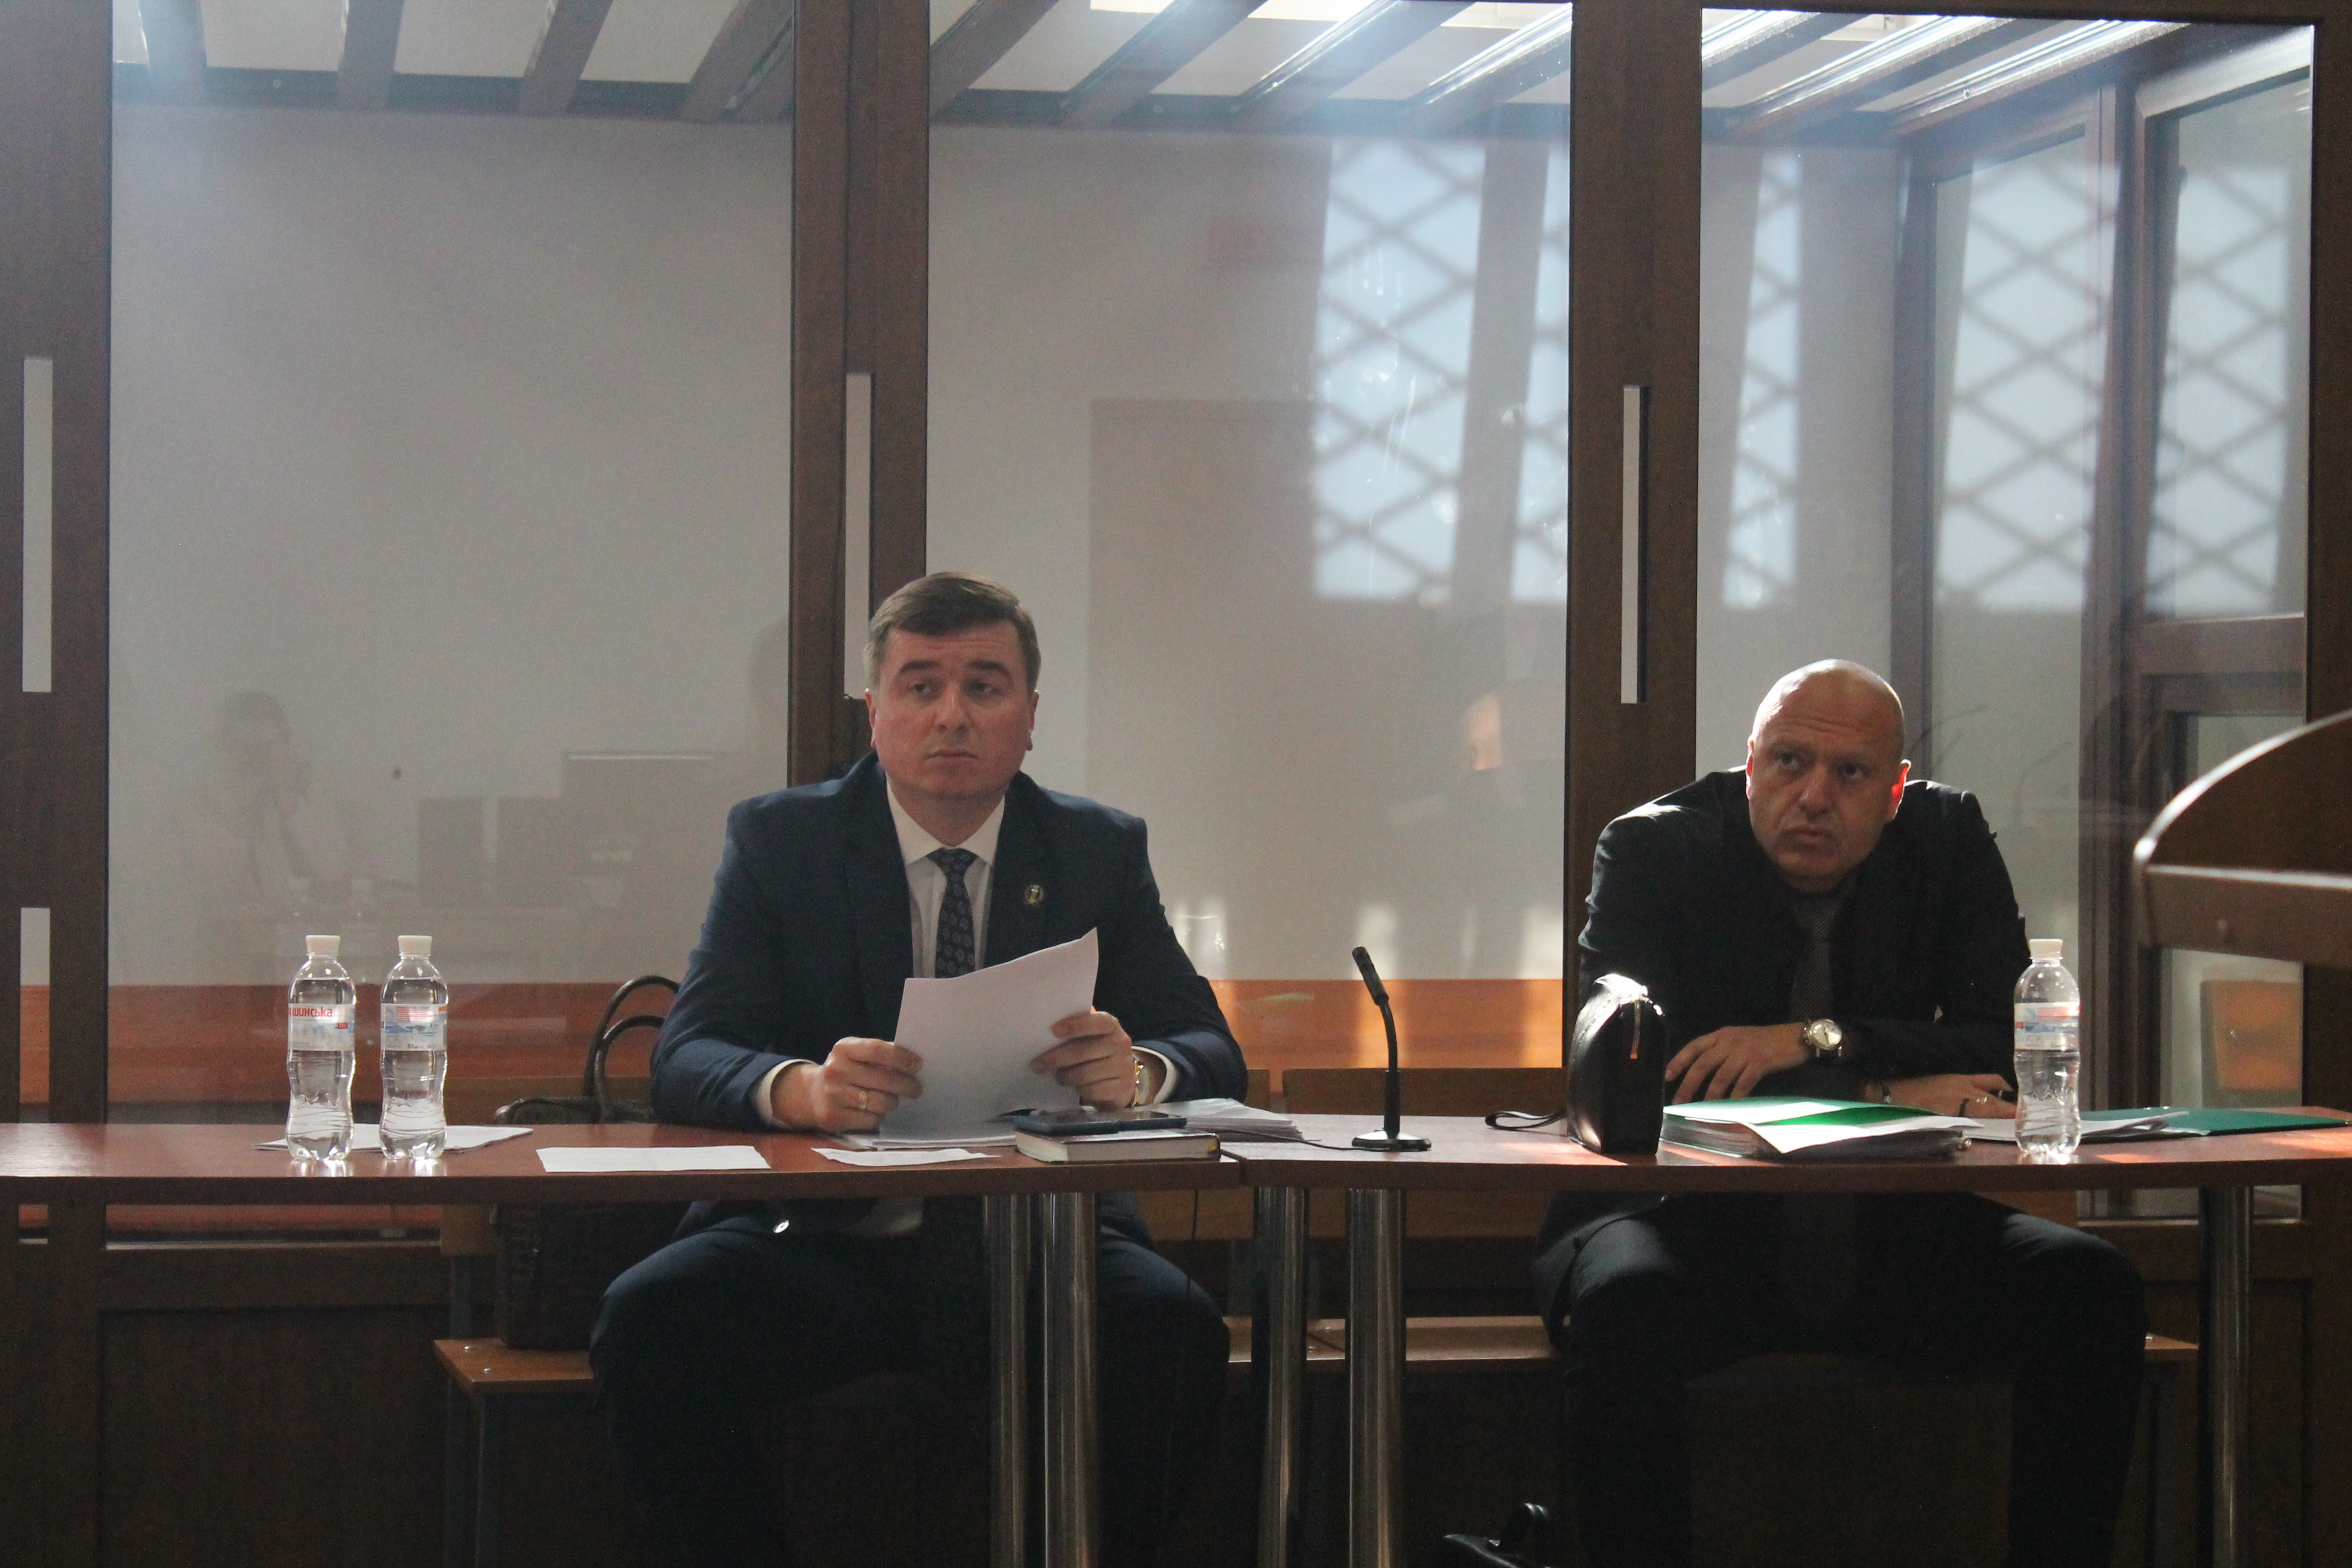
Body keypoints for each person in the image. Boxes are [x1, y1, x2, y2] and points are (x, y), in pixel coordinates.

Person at [591, 572, 1246, 1568]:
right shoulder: (784, 842)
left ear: (1030, 716)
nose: (952, 715)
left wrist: (1141, 1072)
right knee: (648, 1324)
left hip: (1044, 1251)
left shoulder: (1094, 849)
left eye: (984, 687)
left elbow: (1211, 1048)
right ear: (875, 711)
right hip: (828, 1245)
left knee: (1178, 1335)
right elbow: (688, 1054)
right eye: (921, 686)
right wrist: (803, 1090)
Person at [1533, 660, 2147, 1568]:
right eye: (1789, 763)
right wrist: (1884, 1089)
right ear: (1751, 766)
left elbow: (2001, 1043)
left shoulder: (1948, 839)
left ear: (1896, 792)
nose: (1814, 797)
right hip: (1687, 1224)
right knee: (1627, 1306)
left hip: (1891, 1229)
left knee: (2090, 1287)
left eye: (1851, 774)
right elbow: (1637, 1078)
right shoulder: (1653, 849)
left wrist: (1812, 1041)